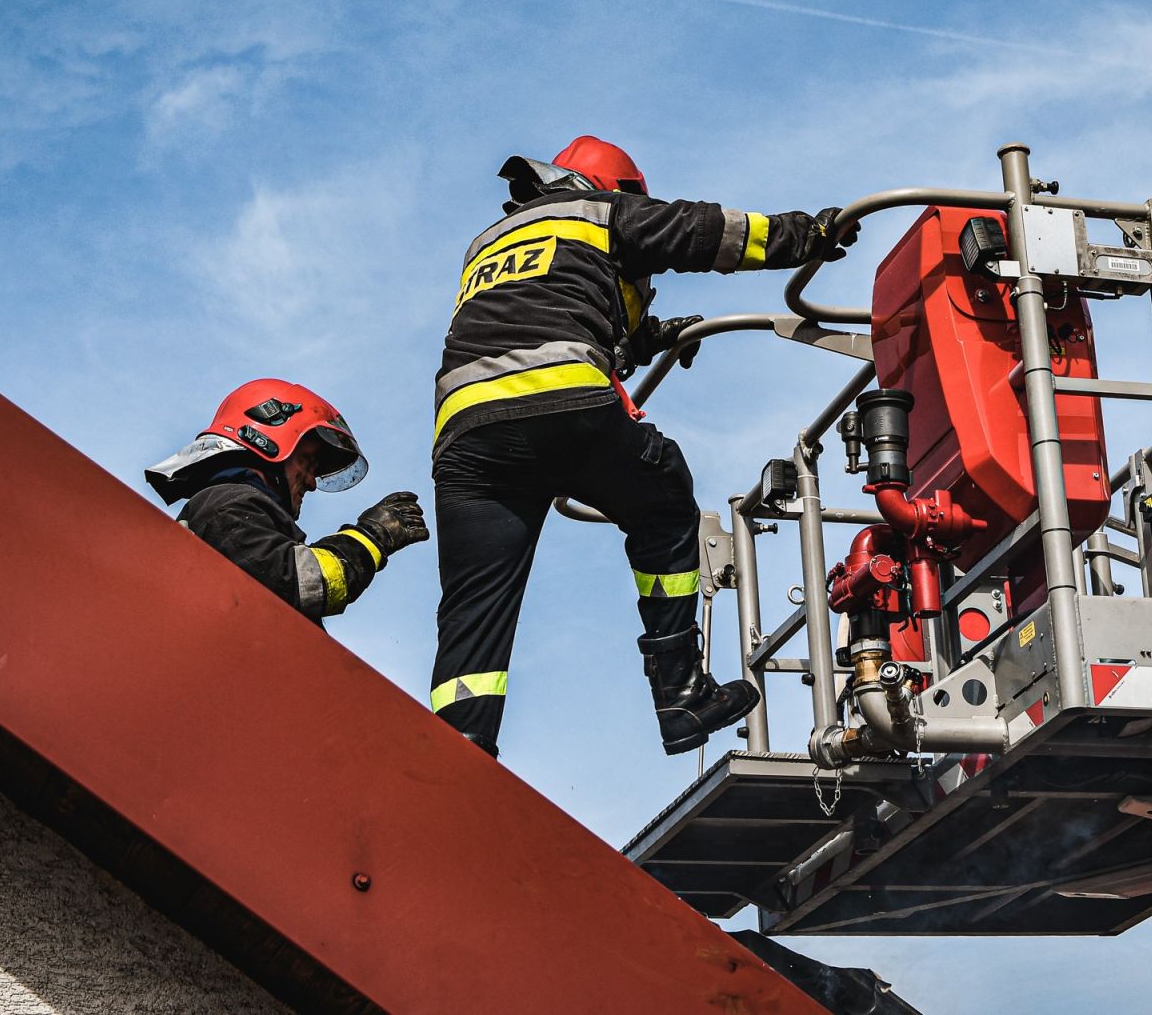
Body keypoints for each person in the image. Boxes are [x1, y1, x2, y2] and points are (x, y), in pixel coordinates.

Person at [430, 135, 858, 758]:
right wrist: (807, 235)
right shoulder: (601, 210)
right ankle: (681, 693)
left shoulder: (492, 243)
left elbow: (549, 309)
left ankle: (455, 751)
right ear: (617, 189)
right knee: (663, 500)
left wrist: (650, 338)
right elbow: (704, 232)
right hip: (561, 397)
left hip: (466, 432)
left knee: (476, 602)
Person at [147, 378, 429, 624]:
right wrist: (371, 537)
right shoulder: (227, 506)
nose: (312, 483)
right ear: (265, 442)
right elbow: (299, 582)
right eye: (308, 463)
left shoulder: (231, 507)